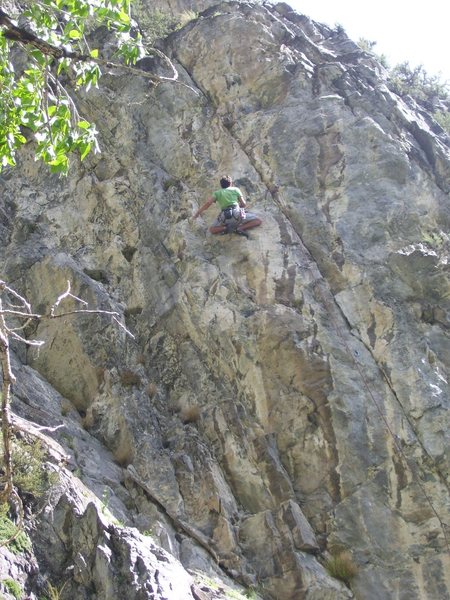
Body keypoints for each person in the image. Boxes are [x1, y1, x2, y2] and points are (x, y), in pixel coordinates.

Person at [193, 175, 262, 238]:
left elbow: (207, 204)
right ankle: (240, 228)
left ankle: (225, 228)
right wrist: (239, 206)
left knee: (212, 229)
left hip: (224, 217)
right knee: (257, 221)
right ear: (230, 183)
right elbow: (243, 204)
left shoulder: (217, 193)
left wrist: (197, 214)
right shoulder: (235, 189)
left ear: (221, 185)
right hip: (237, 214)